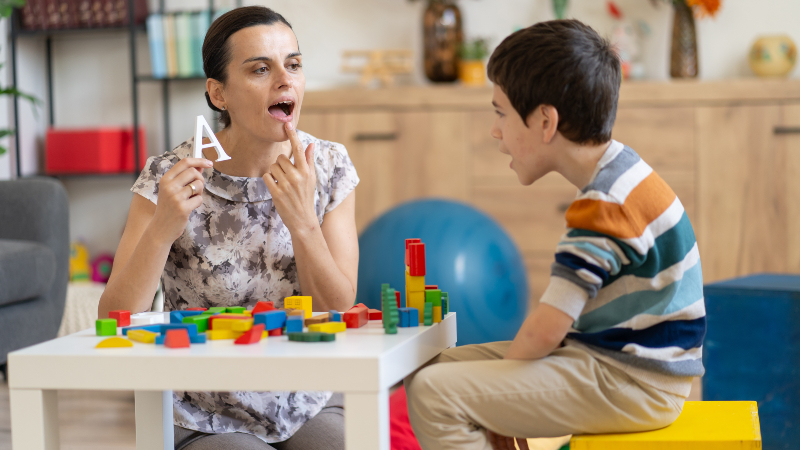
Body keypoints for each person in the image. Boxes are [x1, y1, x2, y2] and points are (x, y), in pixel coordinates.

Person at [404, 19, 705, 450]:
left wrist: (497, 392)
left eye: (500, 113)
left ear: (545, 121)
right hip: (615, 361)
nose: (495, 131)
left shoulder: (604, 207)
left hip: (634, 383)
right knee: (432, 367)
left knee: (435, 393)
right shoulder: (622, 171)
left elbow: (547, 328)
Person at [97, 6, 359, 450]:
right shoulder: (168, 176)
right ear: (218, 94)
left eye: (293, 65)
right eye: (261, 68)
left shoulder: (329, 167)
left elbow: (335, 308)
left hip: (307, 397)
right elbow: (115, 317)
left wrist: (303, 224)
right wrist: (162, 228)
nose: (285, 80)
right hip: (203, 409)